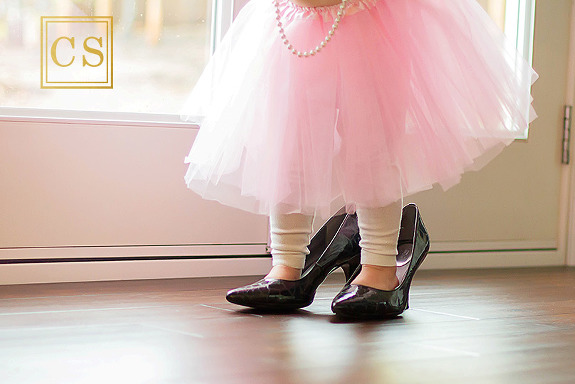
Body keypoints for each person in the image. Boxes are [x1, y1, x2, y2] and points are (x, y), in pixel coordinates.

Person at [180, 0, 537, 319]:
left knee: (372, 140)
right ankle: (287, 265)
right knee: (291, 140)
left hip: (368, 16)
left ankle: (381, 263)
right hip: (295, 19)